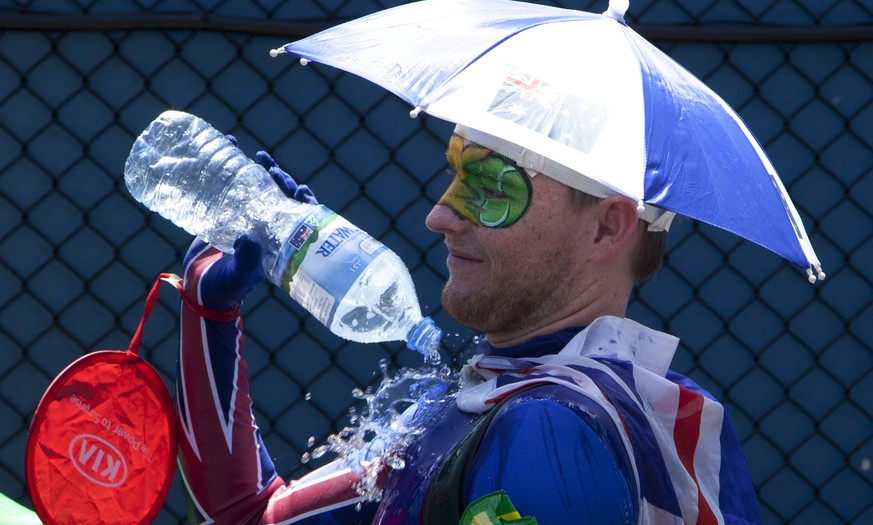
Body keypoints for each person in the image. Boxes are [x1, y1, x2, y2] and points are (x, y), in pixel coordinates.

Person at [174, 124, 762, 524]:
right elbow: (253, 513)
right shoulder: (505, 393)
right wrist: (210, 311)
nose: (439, 215)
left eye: (490, 187)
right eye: (456, 175)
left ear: (607, 228)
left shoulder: (548, 428)